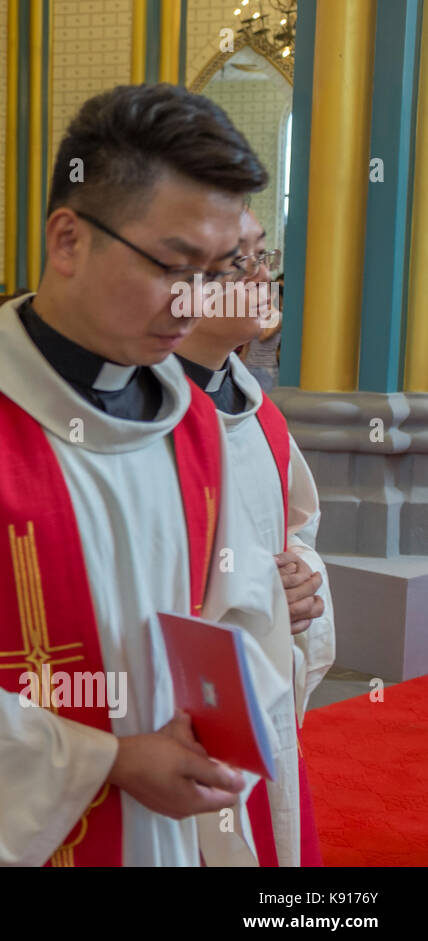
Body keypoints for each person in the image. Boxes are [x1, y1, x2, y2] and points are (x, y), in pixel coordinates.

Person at [0, 83, 293, 866]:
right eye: (174, 264)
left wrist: (222, 716)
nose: (194, 302)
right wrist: (112, 760)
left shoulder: (197, 429)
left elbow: (239, 626)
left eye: (214, 272)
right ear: (68, 240)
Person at [174, 209, 333, 866]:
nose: (264, 272)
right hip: (181, 715)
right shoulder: (137, 415)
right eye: (241, 259)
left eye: (264, 254)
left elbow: (297, 525)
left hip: (260, 684)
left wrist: (300, 575)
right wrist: (256, 591)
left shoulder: (259, 411)